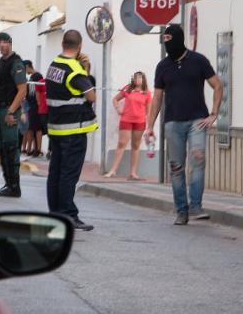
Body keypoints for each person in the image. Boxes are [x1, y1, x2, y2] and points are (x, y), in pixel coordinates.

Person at [146, 25, 223, 225]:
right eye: (165, 40)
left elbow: (217, 85)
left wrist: (214, 113)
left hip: (197, 120)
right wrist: (149, 126)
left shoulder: (199, 61)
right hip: (172, 123)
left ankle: (196, 205)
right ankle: (182, 210)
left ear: (179, 39)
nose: (167, 44)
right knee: (176, 168)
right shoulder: (162, 66)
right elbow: (156, 98)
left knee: (198, 158)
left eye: (170, 39)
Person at [45, 30, 98, 231]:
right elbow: (91, 96)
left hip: (56, 130)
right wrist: (85, 69)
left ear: (62, 44)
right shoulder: (75, 69)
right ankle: (68, 215)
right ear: (80, 46)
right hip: (73, 130)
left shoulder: (54, 65)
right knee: (69, 174)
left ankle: (55, 213)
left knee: (55, 172)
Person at [0, 32, 27, 198]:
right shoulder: (0, 63)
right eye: (0, 42)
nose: (3, 45)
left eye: (5, 42)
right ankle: (8, 183)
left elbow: (22, 90)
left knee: (11, 149)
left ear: (10, 44)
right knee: (1, 148)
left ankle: (15, 185)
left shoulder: (16, 63)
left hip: (9, 111)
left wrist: (11, 111)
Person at [104, 71, 151, 180]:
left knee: (135, 146)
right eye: (136, 78)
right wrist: (118, 109)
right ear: (133, 79)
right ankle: (112, 171)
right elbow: (115, 99)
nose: (138, 80)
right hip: (126, 120)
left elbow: (149, 110)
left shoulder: (146, 93)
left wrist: (149, 125)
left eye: (140, 78)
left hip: (140, 122)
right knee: (121, 144)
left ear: (143, 80)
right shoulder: (127, 88)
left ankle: (133, 173)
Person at [22, 60, 44, 156]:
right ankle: (29, 149)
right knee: (30, 128)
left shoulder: (38, 76)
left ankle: (38, 149)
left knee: (37, 128)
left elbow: (39, 91)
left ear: (28, 66)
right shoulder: (30, 77)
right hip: (30, 105)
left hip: (36, 105)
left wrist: (38, 103)